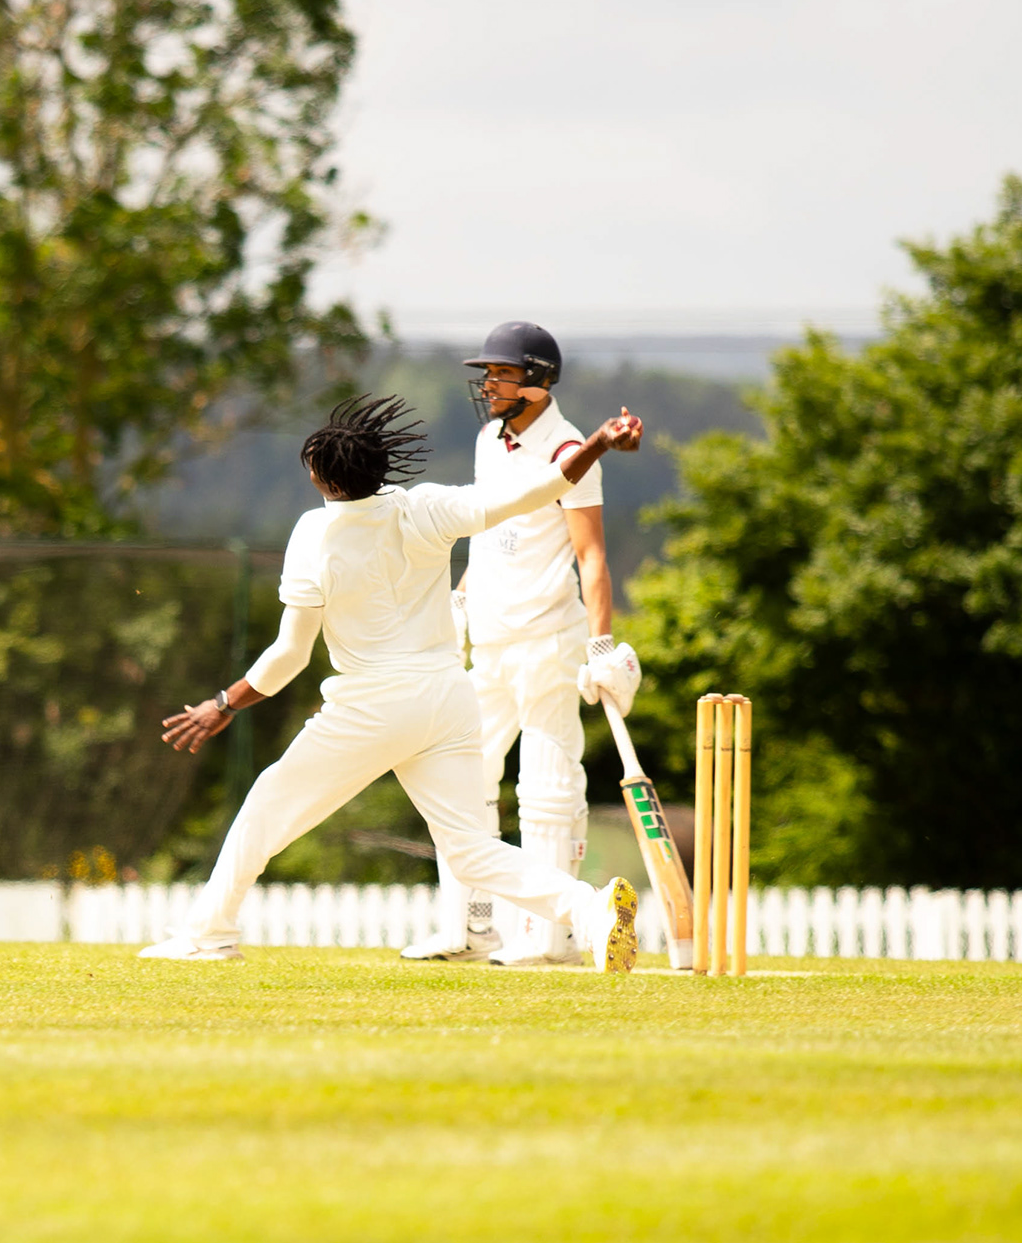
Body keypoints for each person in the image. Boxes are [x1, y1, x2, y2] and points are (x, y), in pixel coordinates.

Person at [139, 390, 645, 967]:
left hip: (372, 707)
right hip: (449, 697)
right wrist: (600, 441)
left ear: (317, 477)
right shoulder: (426, 507)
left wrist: (223, 704)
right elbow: (546, 487)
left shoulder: (313, 535)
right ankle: (590, 907)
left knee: (266, 807)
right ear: (380, 467)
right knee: (470, 850)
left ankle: (210, 934)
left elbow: (289, 656)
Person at [404, 321, 643, 967]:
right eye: (489, 374)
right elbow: (486, 531)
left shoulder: (569, 447)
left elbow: (591, 557)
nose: (490, 385)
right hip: (489, 640)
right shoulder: (491, 439)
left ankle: (549, 937)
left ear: (537, 381)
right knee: (461, 778)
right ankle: (470, 928)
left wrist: (600, 646)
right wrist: (460, 598)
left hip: (546, 639)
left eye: (503, 374)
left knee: (545, 786)